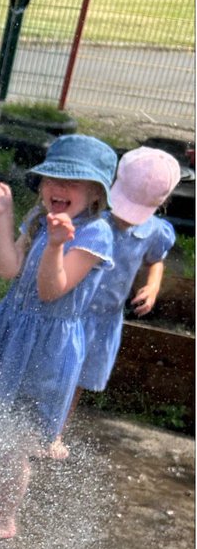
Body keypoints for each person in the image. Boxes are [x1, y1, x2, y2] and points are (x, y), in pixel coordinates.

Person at [0, 135, 117, 541]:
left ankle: (6, 519)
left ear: (96, 193)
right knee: (0, 423)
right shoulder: (38, 218)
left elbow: (50, 291)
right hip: (13, 331)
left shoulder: (95, 235)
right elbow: (8, 269)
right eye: (51, 179)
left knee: (16, 435)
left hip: (48, 349)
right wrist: (4, 216)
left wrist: (58, 246)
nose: (59, 189)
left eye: (73, 183)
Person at [47, 146, 181, 458]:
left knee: (77, 380)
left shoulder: (154, 232)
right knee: (55, 371)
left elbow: (156, 260)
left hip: (105, 320)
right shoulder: (92, 221)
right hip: (72, 312)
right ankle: (37, 427)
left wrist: (152, 285)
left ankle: (54, 433)